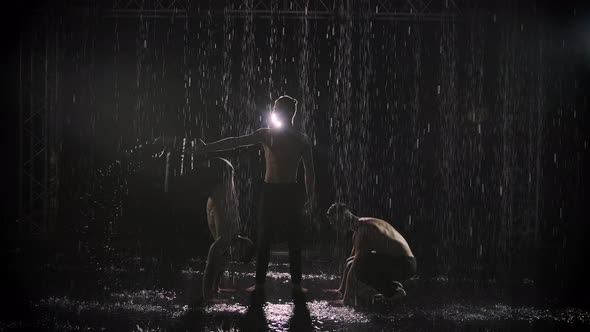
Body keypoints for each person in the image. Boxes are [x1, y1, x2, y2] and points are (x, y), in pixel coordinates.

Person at [193, 95, 315, 293]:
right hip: (270, 191)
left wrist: (310, 197)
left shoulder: (301, 139)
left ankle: (296, 284)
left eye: (278, 109)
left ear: (288, 113)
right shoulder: (267, 134)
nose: (276, 112)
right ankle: (260, 283)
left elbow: (310, 170)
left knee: (294, 238)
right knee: (264, 237)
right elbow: (236, 142)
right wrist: (209, 147)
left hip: (290, 192)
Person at [324, 203, 417, 304]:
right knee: (353, 262)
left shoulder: (364, 230)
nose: (334, 226)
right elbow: (349, 261)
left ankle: (395, 292)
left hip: (405, 264)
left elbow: (355, 266)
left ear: (343, 216)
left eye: (334, 221)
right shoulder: (359, 229)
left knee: (361, 268)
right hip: (398, 260)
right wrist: (341, 290)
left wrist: (345, 301)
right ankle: (391, 287)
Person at [199, 158, 255, 302]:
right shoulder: (228, 237)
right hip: (222, 173)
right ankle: (207, 295)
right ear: (240, 250)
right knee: (216, 256)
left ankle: (213, 290)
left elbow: (220, 260)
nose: (235, 258)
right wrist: (208, 297)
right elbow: (211, 263)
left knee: (221, 256)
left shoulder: (232, 235)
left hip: (217, 193)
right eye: (238, 256)